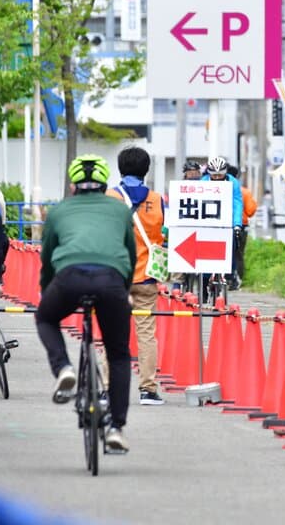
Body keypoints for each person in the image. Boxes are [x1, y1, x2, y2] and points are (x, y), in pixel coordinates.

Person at [35, 155, 136, 452]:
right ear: (105, 183)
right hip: (111, 281)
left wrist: (47, 291)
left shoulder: (59, 211)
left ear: (72, 184)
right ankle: (116, 427)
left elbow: (47, 257)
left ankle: (64, 368)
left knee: (45, 319)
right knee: (118, 355)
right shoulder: (120, 210)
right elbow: (129, 255)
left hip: (69, 278)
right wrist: (124, 289)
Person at [107, 146, 166, 406]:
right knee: (146, 334)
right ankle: (148, 390)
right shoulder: (156, 199)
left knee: (112, 333)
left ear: (120, 168)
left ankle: (108, 389)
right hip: (146, 277)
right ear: (146, 170)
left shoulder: (110, 197)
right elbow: (161, 236)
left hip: (116, 277)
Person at [202, 156, 244, 287]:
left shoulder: (233, 183)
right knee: (205, 254)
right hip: (208, 222)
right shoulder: (202, 183)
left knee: (231, 247)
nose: (217, 178)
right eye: (214, 175)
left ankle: (230, 275)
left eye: (220, 175)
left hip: (226, 222)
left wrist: (237, 224)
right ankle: (204, 280)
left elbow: (237, 204)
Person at [227, 164, 258, 288]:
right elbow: (251, 211)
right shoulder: (244, 192)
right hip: (241, 226)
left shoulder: (214, 189)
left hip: (218, 226)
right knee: (238, 254)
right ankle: (237, 278)